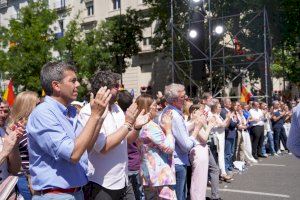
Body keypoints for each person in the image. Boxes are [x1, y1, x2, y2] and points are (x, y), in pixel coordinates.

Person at [27, 62, 111, 200]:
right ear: (56, 85)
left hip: (76, 193)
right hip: (54, 195)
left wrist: (99, 119)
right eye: (73, 81)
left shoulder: (71, 112)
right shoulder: (43, 113)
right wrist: (94, 115)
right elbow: (73, 154)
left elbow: (85, 149)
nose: (77, 84)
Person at [79, 70, 149, 200]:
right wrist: (127, 124)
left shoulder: (117, 109)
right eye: (116, 86)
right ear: (104, 89)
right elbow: (103, 147)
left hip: (123, 179)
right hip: (102, 183)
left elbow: (126, 139)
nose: (120, 89)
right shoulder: (89, 112)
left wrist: (137, 127)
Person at [160, 84, 197, 200]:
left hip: (173, 161)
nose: (186, 97)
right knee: (179, 196)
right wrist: (196, 130)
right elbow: (186, 145)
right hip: (178, 163)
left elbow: (181, 130)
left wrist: (195, 121)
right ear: (175, 100)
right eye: (183, 97)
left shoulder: (168, 110)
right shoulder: (174, 115)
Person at [135, 94, 176, 200]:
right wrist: (168, 129)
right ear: (147, 108)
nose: (157, 107)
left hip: (148, 174)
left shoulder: (139, 125)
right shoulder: (150, 126)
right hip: (160, 175)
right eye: (154, 105)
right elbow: (169, 148)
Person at [8, 91, 40, 200]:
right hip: (26, 178)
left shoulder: (31, 125)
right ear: (28, 106)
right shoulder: (18, 128)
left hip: (34, 177)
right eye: (37, 105)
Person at [118, 90, 145, 200]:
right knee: (138, 195)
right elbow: (140, 142)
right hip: (133, 164)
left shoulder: (119, 118)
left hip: (126, 165)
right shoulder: (134, 119)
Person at [209, 101, 231, 181]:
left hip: (221, 137)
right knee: (218, 155)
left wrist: (228, 119)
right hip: (217, 138)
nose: (220, 108)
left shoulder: (219, 115)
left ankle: (222, 172)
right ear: (215, 108)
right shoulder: (213, 115)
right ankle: (222, 173)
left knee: (221, 155)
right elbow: (221, 124)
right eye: (219, 107)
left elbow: (225, 125)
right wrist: (227, 118)